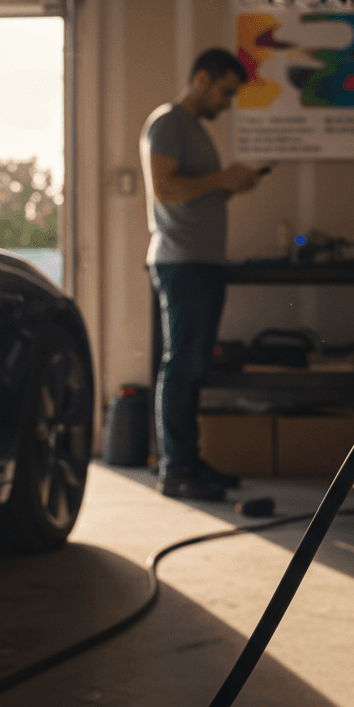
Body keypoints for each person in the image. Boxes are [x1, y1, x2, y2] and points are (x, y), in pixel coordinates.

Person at [140, 47, 264, 501]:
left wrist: (231, 185)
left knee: (193, 367)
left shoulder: (191, 130)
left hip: (202, 261)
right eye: (226, 92)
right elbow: (166, 187)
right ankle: (176, 470)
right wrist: (222, 178)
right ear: (203, 80)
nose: (228, 103)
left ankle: (189, 462)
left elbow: (194, 192)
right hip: (182, 260)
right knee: (182, 366)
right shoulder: (169, 122)